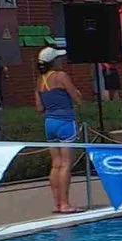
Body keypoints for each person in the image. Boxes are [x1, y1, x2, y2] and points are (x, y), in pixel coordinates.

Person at [35, 46, 82, 213]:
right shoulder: (61, 76)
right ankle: (65, 204)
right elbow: (77, 98)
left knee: (55, 164)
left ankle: (57, 203)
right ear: (53, 61)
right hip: (65, 122)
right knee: (66, 164)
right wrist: (77, 95)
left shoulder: (40, 81)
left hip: (49, 123)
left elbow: (39, 107)